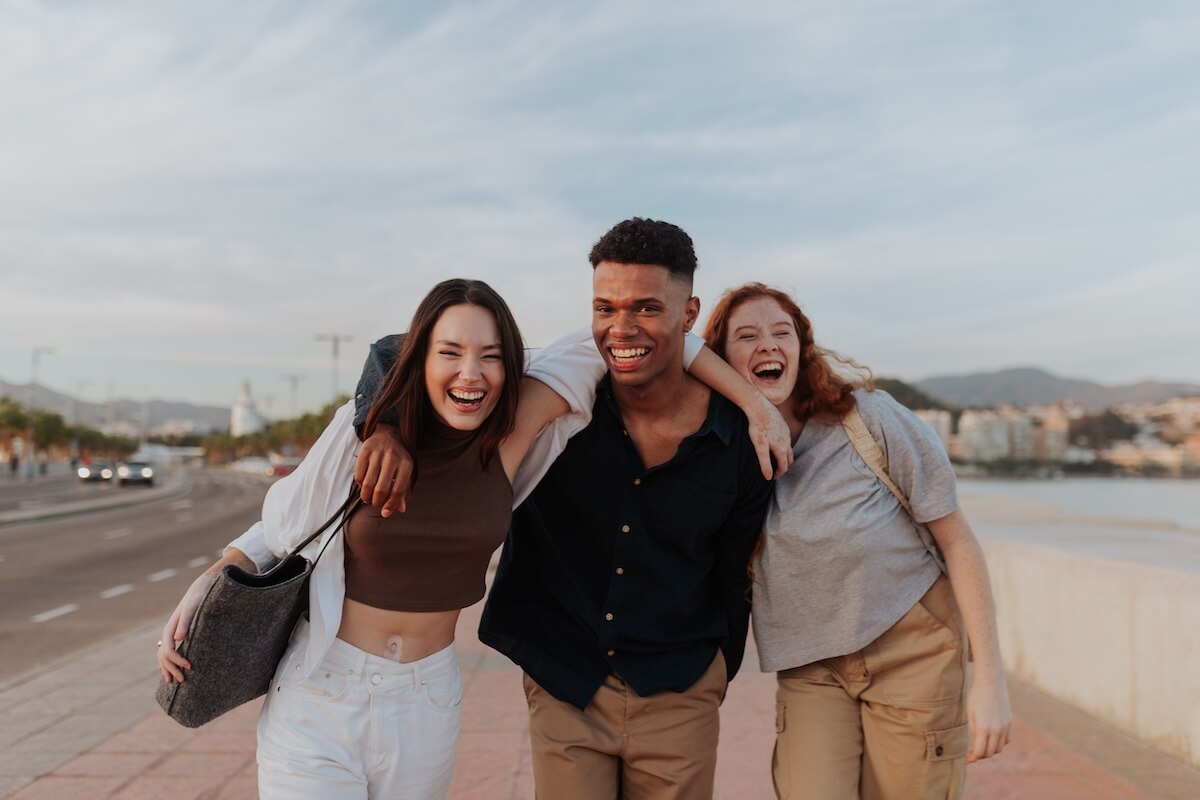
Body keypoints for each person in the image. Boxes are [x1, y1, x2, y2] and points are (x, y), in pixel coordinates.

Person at [355, 218, 781, 799]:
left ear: (689, 315)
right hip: (564, 677)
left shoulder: (740, 440)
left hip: (680, 687)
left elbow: (735, 572)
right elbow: (401, 350)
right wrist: (379, 425)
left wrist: (710, 674)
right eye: (605, 307)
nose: (621, 328)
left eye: (647, 308)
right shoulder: (556, 395)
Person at [156, 279, 606, 799]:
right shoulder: (359, 435)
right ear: (418, 361)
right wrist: (205, 586)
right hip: (322, 693)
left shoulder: (510, 440)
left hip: (427, 701)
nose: (470, 373)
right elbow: (284, 527)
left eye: (491, 356)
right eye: (450, 353)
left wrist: (721, 376)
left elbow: (610, 339)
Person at [701, 282, 1013, 800]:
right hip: (812, 667)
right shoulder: (721, 448)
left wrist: (990, 681)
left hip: (914, 653)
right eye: (747, 336)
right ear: (721, 358)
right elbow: (681, 352)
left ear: (803, 348)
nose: (768, 346)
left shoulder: (866, 417)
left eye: (782, 333)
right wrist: (751, 410)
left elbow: (957, 540)